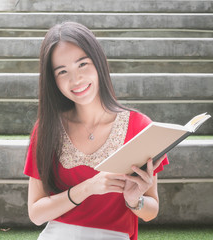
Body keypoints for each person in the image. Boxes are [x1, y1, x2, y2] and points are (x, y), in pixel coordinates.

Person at [23, 22, 169, 240]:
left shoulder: (140, 127)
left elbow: (151, 211)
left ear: (99, 62)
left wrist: (133, 200)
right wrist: (87, 188)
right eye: (62, 72)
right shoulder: (46, 129)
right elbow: (36, 214)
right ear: (53, 81)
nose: (76, 79)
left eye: (82, 64)